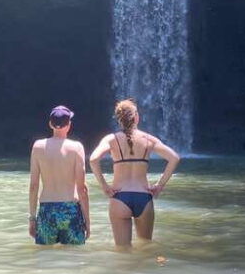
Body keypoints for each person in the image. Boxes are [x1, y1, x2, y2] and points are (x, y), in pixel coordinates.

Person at [89, 99, 180, 247]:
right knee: (145, 247)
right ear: (136, 117)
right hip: (144, 197)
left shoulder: (111, 139)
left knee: (122, 251)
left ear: (119, 119)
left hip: (119, 197)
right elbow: (174, 158)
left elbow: (93, 159)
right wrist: (160, 185)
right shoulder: (149, 139)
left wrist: (104, 186)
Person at [29, 105, 90, 245]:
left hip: (47, 210)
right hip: (71, 209)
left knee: (45, 256)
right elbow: (82, 189)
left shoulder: (38, 147)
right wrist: (87, 221)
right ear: (69, 125)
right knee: (74, 255)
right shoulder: (77, 148)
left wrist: (32, 218)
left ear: (50, 124)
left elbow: (33, 186)